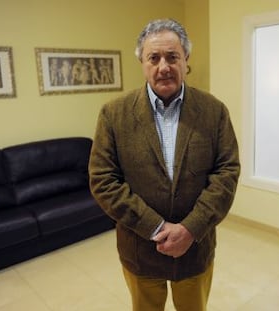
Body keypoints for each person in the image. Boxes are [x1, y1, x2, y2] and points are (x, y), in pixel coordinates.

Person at [88, 18, 240, 311]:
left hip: (195, 249)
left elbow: (227, 173)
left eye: (172, 57)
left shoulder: (214, 111)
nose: (163, 66)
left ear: (186, 60)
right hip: (140, 250)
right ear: (142, 63)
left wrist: (190, 229)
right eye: (153, 58)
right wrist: (156, 227)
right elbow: (103, 180)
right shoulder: (113, 114)